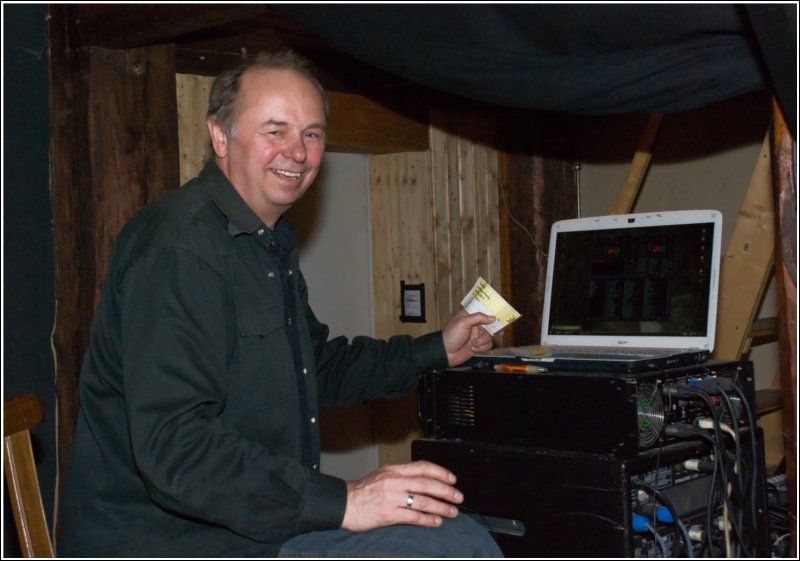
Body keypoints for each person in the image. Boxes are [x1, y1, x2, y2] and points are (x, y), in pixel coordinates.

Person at [57, 50, 503, 558]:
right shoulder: (178, 250)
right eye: (276, 130)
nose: (297, 151)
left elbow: (318, 366)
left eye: (312, 134)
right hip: (173, 542)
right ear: (220, 137)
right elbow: (176, 450)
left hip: (258, 524)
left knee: (458, 535)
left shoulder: (268, 241)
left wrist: (436, 351)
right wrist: (347, 500)